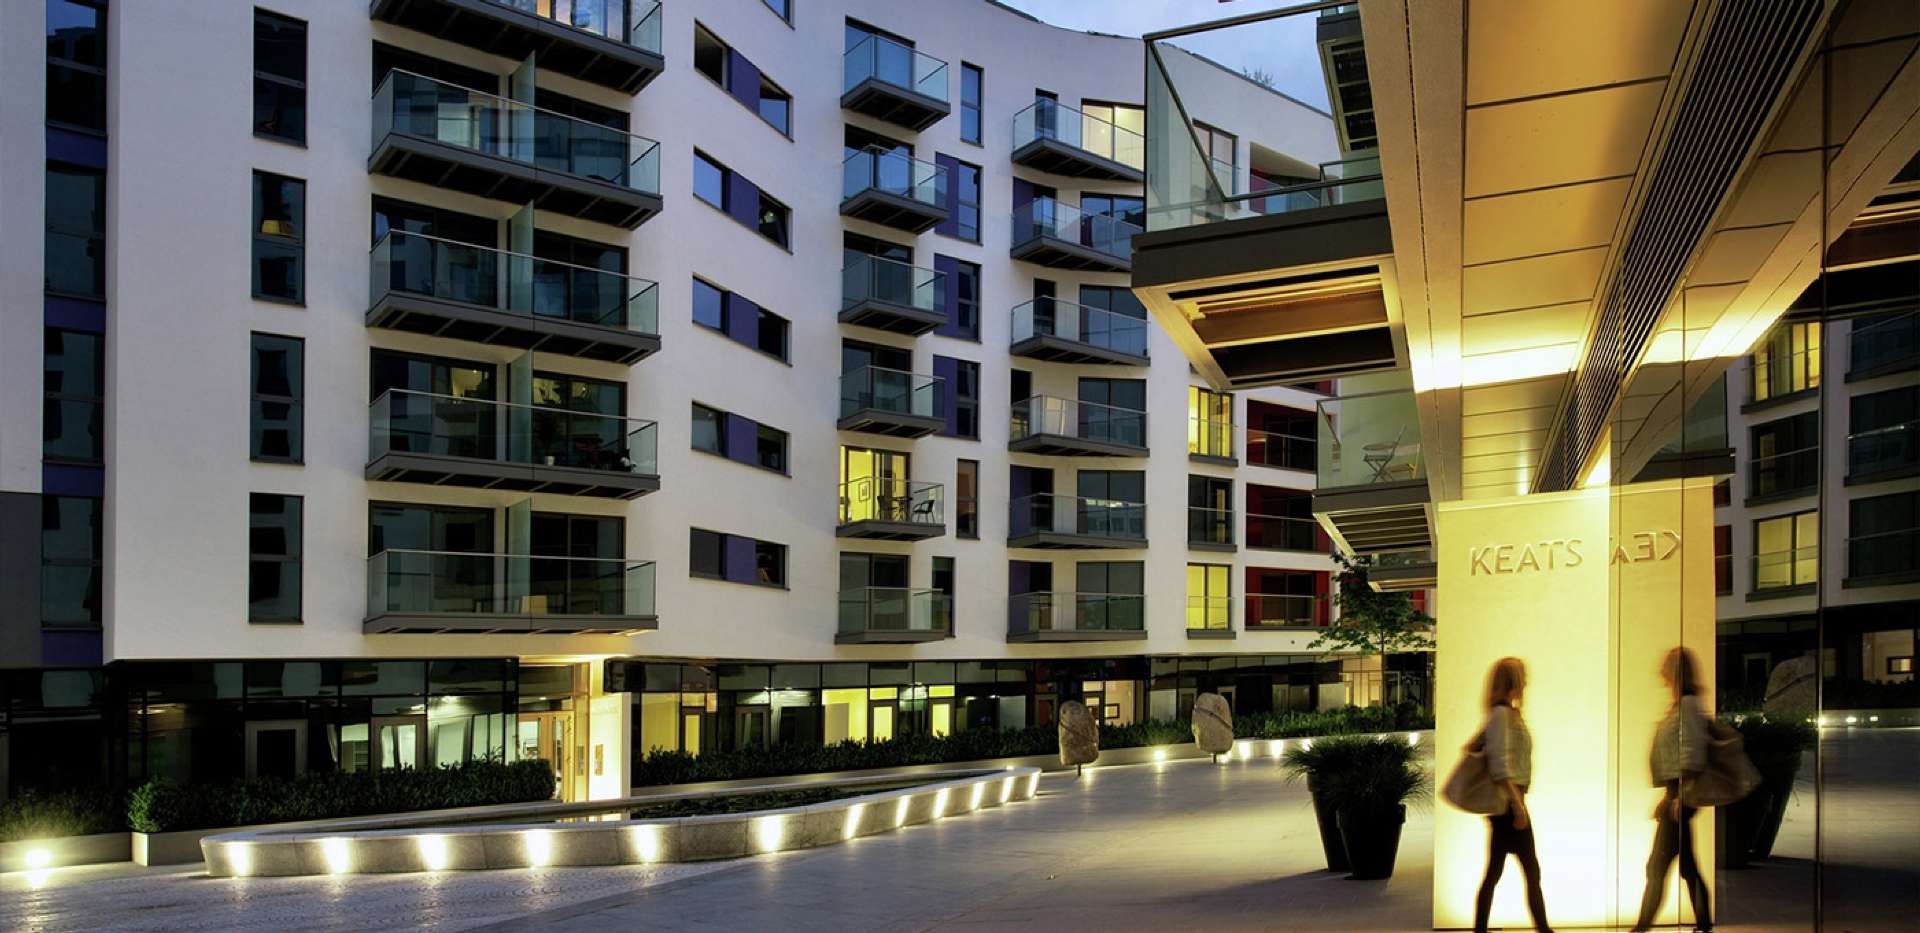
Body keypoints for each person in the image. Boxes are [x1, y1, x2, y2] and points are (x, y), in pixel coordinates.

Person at [1632, 647, 1712, 932]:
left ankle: (1642, 927)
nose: (1660, 672)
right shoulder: (1682, 705)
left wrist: (1679, 796)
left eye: (1665, 666)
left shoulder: (1688, 706)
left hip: (1681, 793)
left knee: (1657, 866)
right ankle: (1703, 923)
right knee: (1687, 866)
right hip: (1676, 793)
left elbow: (1691, 754)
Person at [1473, 657, 1553, 933]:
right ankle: (1543, 930)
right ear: (1514, 681)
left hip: (1510, 804)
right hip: (1509, 805)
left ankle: (1481, 930)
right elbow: (1500, 765)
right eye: (1523, 676)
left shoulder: (1504, 714)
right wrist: (1518, 806)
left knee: (1498, 872)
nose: (1527, 681)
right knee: (1528, 872)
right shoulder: (1502, 715)